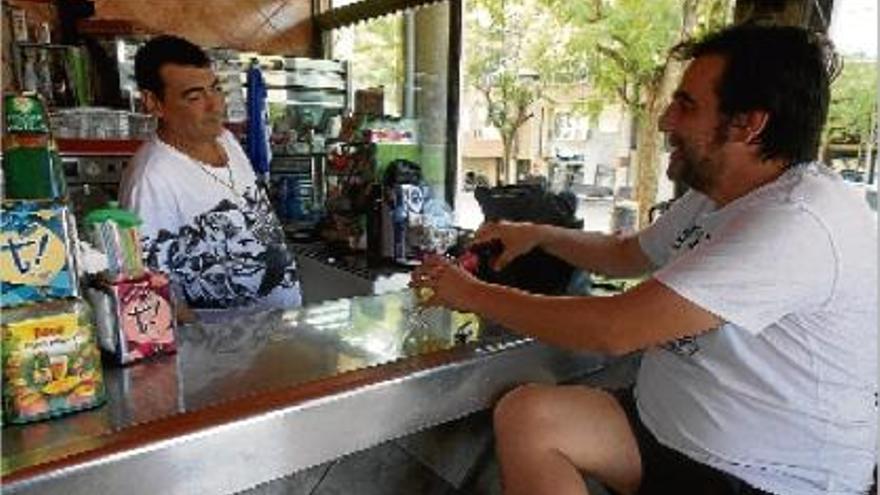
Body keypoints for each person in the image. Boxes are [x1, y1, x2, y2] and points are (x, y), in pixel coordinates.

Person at [411, 25, 877, 495]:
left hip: (764, 478)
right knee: (530, 416)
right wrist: (537, 234)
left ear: (748, 125)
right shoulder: (719, 193)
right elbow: (628, 253)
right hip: (667, 433)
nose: (664, 121)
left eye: (687, 106)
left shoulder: (799, 222)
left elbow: (614, 329)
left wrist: (470, 293)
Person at [120, 35, 301, 312]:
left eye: (215, 89)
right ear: (153, 102)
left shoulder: (226, 140)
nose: (215, 105)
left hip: (277, 337)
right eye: (194, 96)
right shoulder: (151, 181)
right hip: (223, 349)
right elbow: (152, 291)